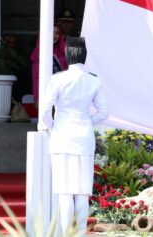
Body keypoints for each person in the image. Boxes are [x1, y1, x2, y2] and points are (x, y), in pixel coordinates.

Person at [38, 37, 108, 235]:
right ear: (84, 56)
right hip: (84, 137)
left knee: (65, 191)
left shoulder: (58, 79)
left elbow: (45, 111)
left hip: (62, 135)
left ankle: (66, 233)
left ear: (67, 56)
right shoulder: (93, 80)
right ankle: (79, 233)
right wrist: (86, 122)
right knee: (82, 191)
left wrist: (53, 127)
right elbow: (104, 112)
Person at [30, 24, 68, 102]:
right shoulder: (38, 56)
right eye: (51, 32)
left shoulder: (64, 55)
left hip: (63, 96)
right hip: (45, 96)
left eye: (57, 33)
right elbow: (36, 79)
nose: (54, 35)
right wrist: (37, 98)